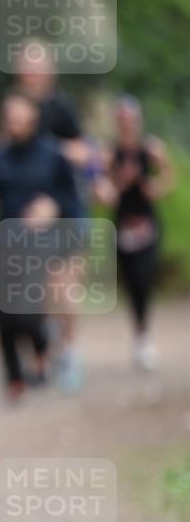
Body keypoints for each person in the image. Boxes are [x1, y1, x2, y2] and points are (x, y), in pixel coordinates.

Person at [0, 91, 83, 402]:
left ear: (33, 119)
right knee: (1, 313)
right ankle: (14, 378)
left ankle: (42, 348)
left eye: (20, 118)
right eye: (9, 118)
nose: (14, 124)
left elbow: (72, 201)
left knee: (28, 313)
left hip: (39, 245)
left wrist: (52, 207)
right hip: (4, 242)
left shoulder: (53, 155)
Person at [11, 39, 92, 392]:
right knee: (38, 291)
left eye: (38, 65)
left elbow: (84, 152)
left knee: (65, 286)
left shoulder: (61, 108)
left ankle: (70, 353)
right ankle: (47, 349)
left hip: (66, 209)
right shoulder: (14, 108)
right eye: (26, 65)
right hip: (28, 214)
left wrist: (52, 149)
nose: (33, 72)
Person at [102, 96, 174, 370]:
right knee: (132, 281)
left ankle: (144, 336)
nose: (127, 125)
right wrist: (123, 181)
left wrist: (156, 187)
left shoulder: (151, 149)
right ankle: (140, 332)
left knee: (145, 277)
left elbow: (168, 177)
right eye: (122, 120)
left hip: (147, 224)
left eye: (130, 119)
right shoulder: (110, 153)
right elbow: (104, 193)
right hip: (122, 225)